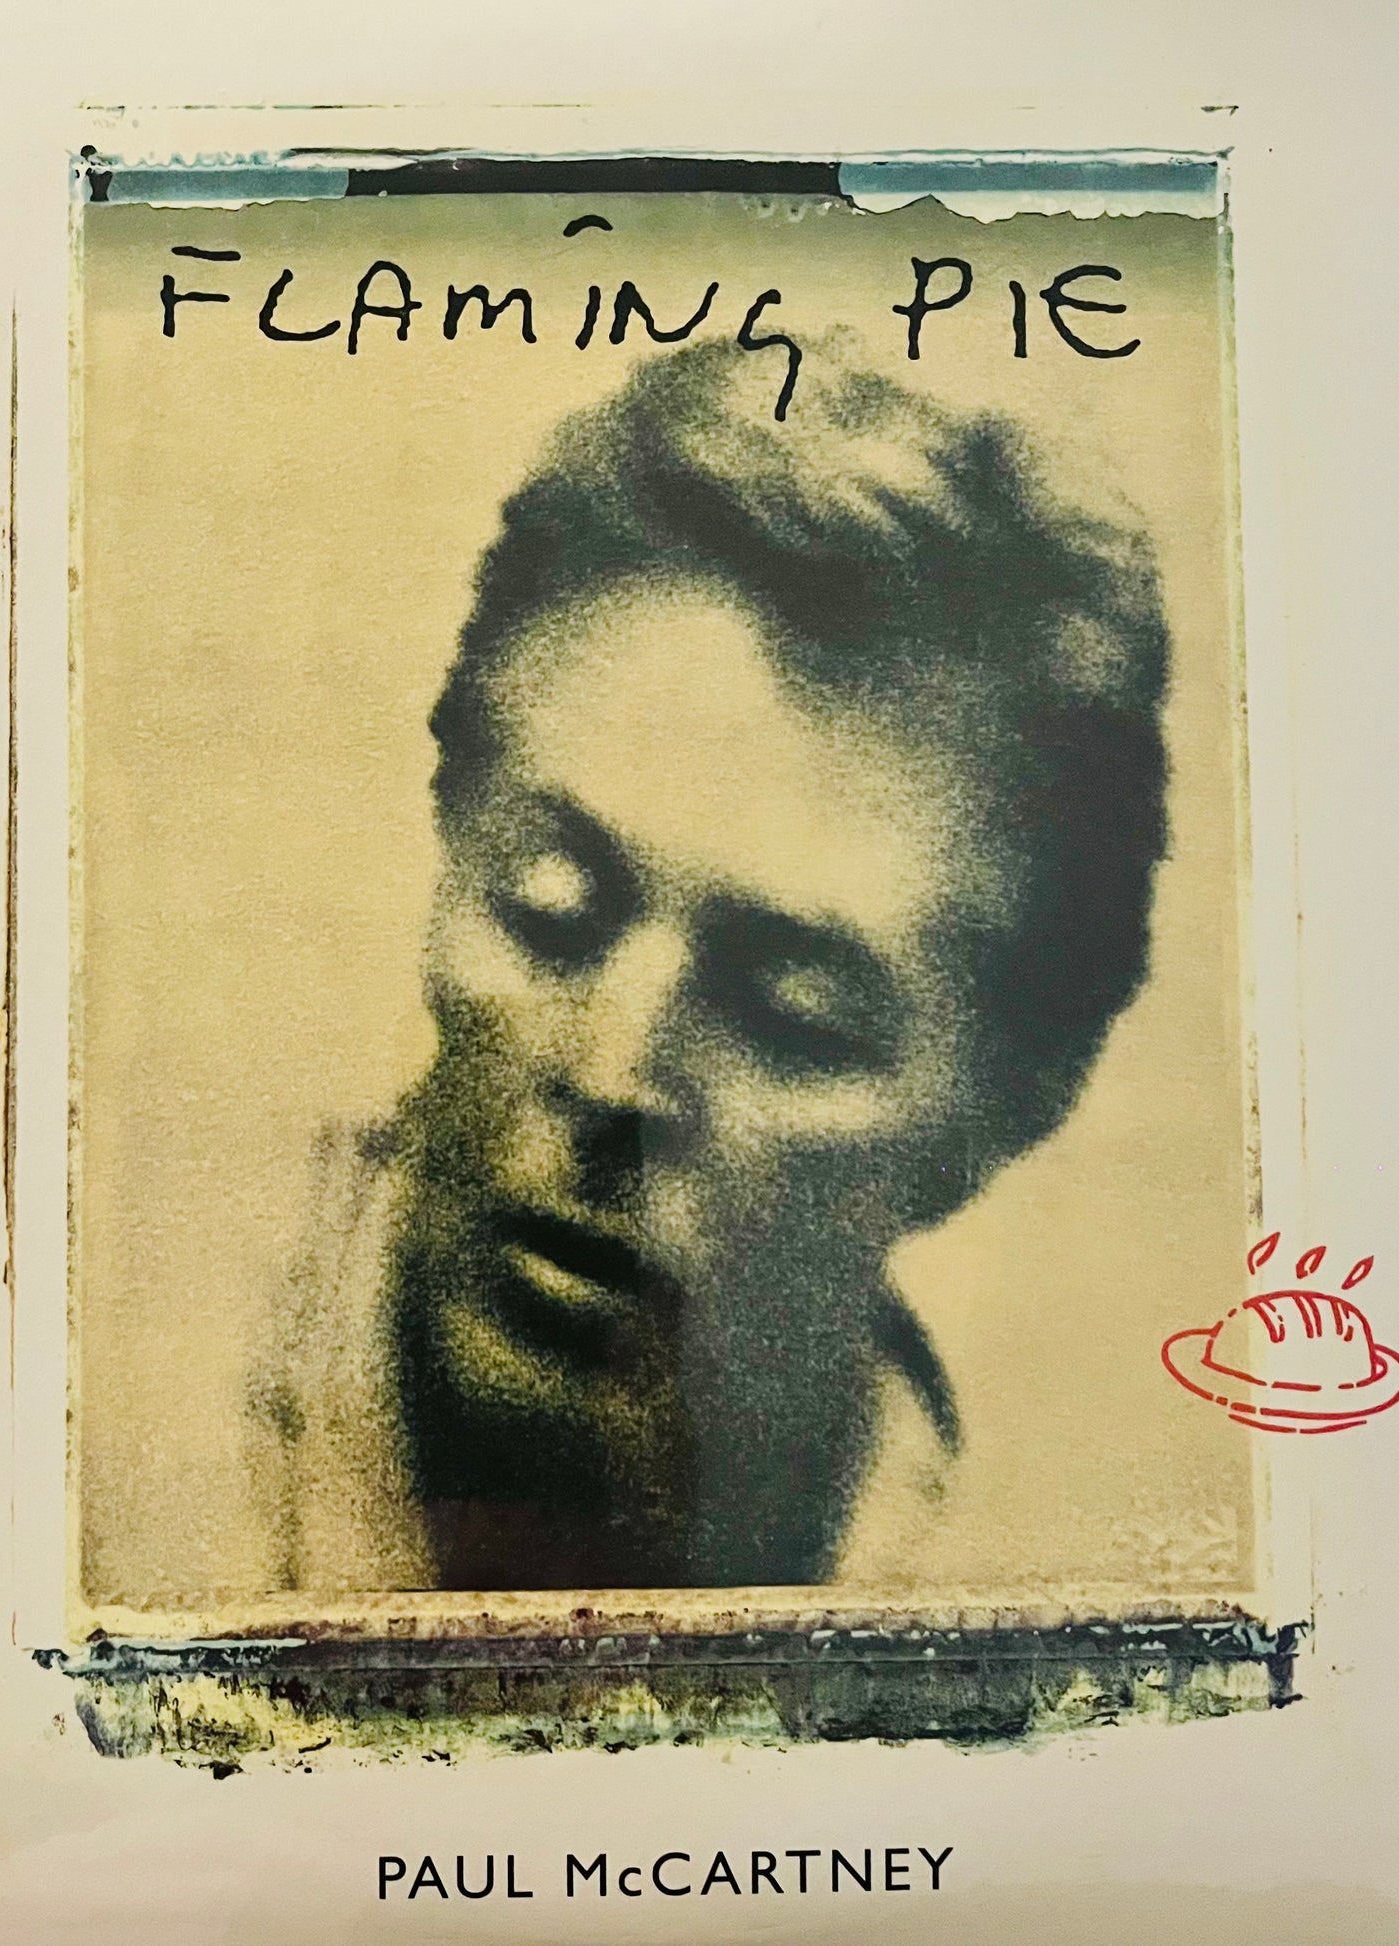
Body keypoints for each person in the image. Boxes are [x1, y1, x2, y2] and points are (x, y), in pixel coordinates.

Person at [255, 335, 1170, 1592]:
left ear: (1006, 1108)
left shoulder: (1078, 1607)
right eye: (550, 909)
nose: (614, 1073)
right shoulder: (85, 1416)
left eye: (791, 1017)